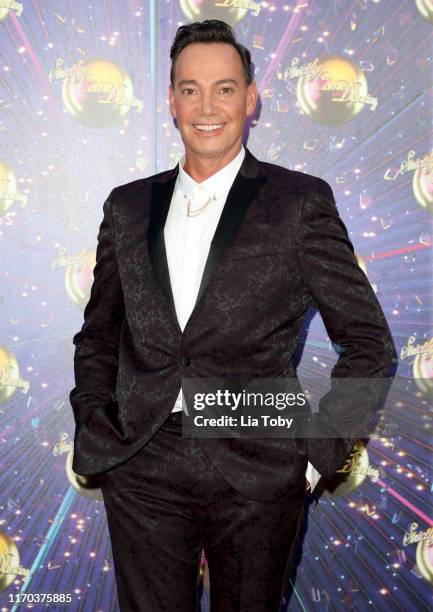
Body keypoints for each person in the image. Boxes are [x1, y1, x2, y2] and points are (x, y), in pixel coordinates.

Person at [69, 19, 395, 612]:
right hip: (144, 463)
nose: (206, 105)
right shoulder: (128, 205)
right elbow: (98, 335)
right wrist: (96, 423)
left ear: (251, 98)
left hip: (259, 464)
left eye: (224, 87)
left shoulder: (298, 202)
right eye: (190, 89)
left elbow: (369, 342)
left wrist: (317, 453)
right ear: (171, 101)